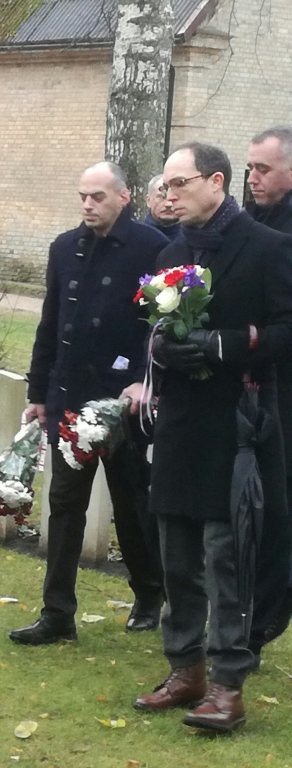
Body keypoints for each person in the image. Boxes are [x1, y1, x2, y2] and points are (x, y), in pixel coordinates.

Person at [133, 143, 292, 732]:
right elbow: (154, 324)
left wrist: (224, 344)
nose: (168, 195)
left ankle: (228, 683)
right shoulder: (174, 250)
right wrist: (162, 347)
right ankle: (185, 669)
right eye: (165, 186)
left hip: (239, 423)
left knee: (227, 558)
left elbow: (285, 331)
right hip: (181, 423)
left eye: (179, 183)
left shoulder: (269, 247)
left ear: (216, 182)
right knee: (176, 552)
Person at [10, 162, 168, 647]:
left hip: (120, 403)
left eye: (98, 196)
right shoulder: (65, 247)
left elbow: (158, 328)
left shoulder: (152, 248)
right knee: (64, 505)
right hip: (70, 398)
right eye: (83, 196)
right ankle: (57, 612)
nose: (88, 205)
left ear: (123, 197)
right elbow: (51, 324)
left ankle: (148, 591)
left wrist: (146, 382)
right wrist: (38, 393)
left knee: (131, 502)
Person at [245, 125, 292, 658]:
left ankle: (263, 620)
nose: (252, 178)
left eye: (264, 169)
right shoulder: (250, 218)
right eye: (250, 168)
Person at [143, 174, 182, 241]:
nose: (168, 204)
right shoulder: (135, 237)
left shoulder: (194, 238)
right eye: (161, 197)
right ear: (148, 201)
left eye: (174, 198)